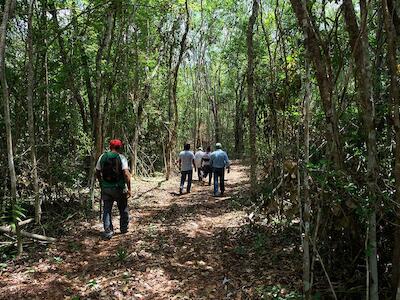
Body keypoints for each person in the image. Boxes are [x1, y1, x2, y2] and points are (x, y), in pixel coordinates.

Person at [96, 139, 131, 239]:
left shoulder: (102, 157)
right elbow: (126, 174)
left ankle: (108, 230)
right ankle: (123, 228)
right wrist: (129, 188)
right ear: (119, 147)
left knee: (107, 209)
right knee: (123, 208)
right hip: (119, 188)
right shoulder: (122, 158)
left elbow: (97, 172)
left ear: (110, 147)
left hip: (106, 188)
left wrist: (101, 183)